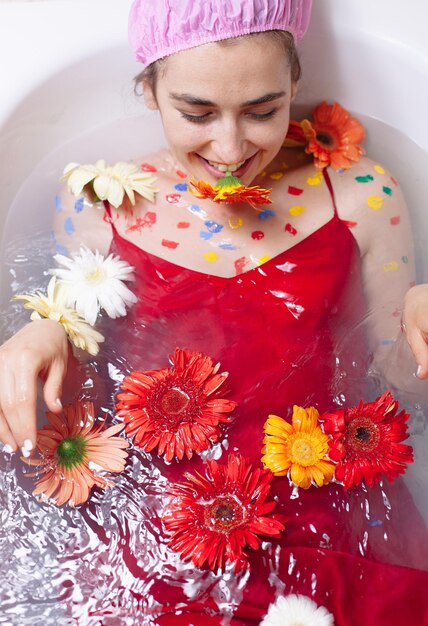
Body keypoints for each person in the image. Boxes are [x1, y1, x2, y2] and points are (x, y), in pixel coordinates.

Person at [0, 1, 428, 623]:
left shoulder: (360, 194)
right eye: (196, 113)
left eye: (263, 112)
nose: (230, 147)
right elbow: (84, 377)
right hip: (153, 528)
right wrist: (43, 333)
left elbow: (395, 385)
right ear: (148, 89)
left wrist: (417, 313)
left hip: (324, 512)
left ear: (295, 86)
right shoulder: (100, 199)